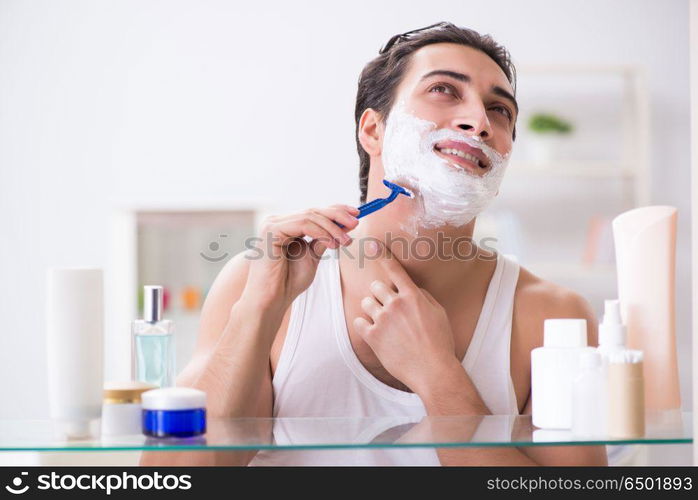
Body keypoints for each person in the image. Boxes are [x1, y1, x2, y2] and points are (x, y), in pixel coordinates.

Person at [140, 22, 607, 466]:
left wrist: (436, 372)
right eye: (445, 90)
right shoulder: (257, 278)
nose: (479, 121)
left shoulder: (550, 314)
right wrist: (259, 309)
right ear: (372, 130)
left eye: (500, 110)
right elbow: (184, 473)